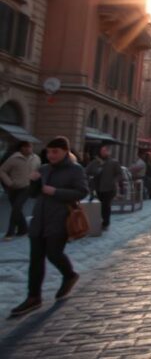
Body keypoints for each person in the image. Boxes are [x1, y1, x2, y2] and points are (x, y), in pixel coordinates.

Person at [8, 136, 89, 318]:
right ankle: (33, 297)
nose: (51, 155)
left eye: (55, 152)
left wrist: (56, 192)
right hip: (39, 220)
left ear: (64, 152)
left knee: (54, 254)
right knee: (35, 259)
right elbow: (34, 194)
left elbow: (82, 191)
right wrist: (35, 182)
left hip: (60, 219)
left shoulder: (75, 170)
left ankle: (69, 275)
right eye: (49, 151)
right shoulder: (43, 168)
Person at [1, 141, 40, 240]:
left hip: (26, 187)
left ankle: (10, 232)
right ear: (21, 148)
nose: (28, 149)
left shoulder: (36, 159)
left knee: (16, 208)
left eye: (30, 147)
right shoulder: (13, 158)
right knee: (17, 209)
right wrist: (9, 182)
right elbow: (2, 170)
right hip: (13, 188)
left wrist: (35, 178)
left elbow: (38, 171)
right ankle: (23, 229)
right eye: (26, 147)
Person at [86, 142, 122, 231]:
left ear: (109, 152)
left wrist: (114, 181)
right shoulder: (94, 162)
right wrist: (91, 177)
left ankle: (106, 223)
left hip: (109, 188)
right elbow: (86, 171)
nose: (104, 152)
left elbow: (119, 174)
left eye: (105, 150)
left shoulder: (113, 162)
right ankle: (96, 221)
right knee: (97, 206)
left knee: (106, 206)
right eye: (102, 150)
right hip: (96, 188)